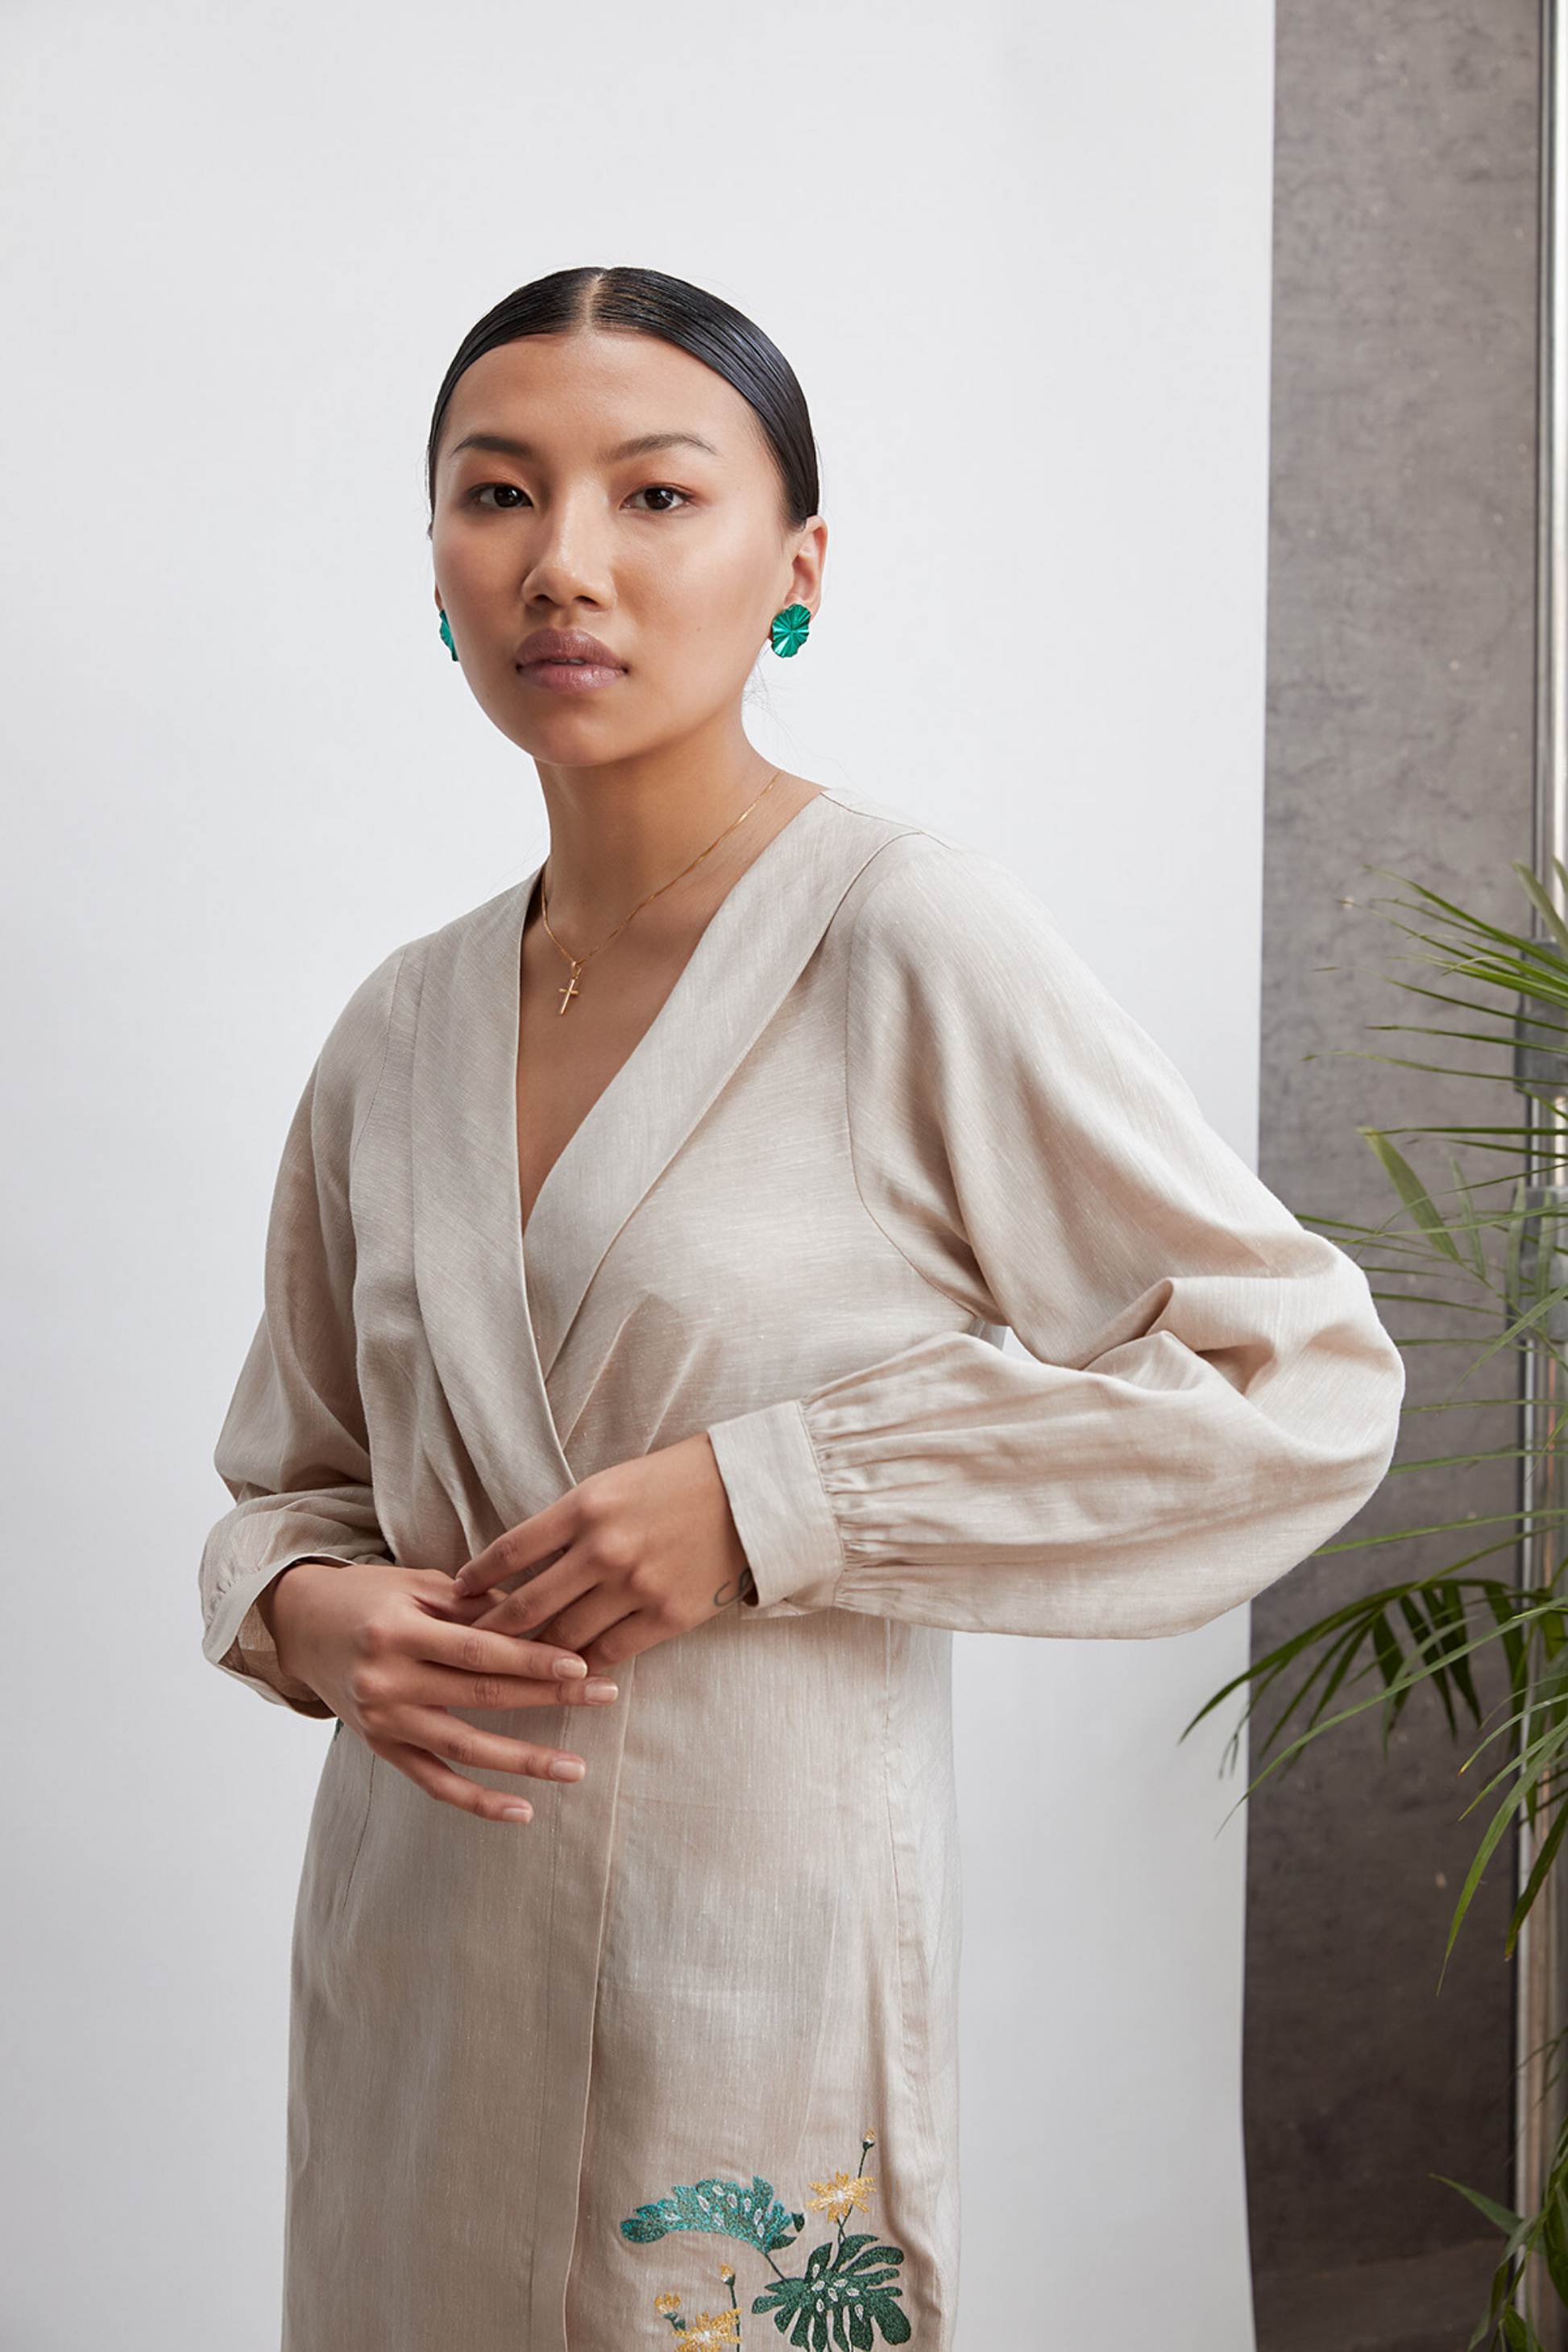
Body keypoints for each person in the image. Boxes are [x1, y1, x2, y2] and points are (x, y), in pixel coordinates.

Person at [199, 263, 1404, 2352]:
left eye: (657, 494)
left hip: (743, 1996)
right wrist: (309, 1617)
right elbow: (286, 1486)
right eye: (499, 492)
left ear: (798, 568)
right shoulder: (395, 1029)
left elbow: (1293, 1377)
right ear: (438, 558)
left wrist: (779, 1497)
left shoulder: (902, 938)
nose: (565, 562)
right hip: (417, 1999)